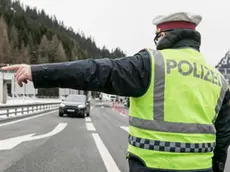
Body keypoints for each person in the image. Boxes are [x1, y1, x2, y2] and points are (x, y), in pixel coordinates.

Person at [2, 12, 230, 172]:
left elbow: (96, 71)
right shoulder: (218, 79)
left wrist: (38, 72)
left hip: (150, 166)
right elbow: (222, 139)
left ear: (163, 36)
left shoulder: (151, 64)